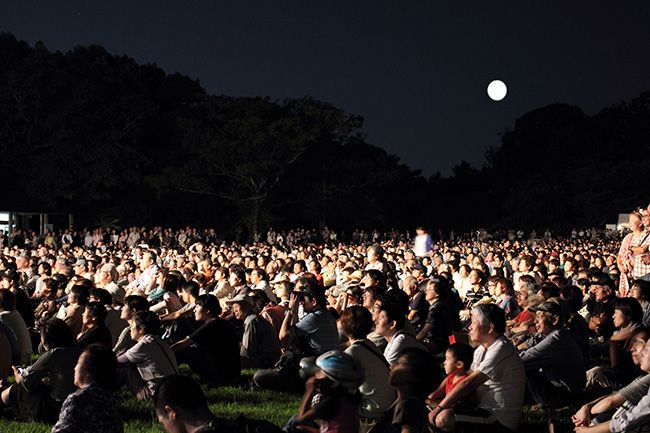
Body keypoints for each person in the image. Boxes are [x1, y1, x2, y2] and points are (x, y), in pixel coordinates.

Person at [429, 304, 525, 432]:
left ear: (490, 328)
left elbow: (469, 383)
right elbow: (463, 377)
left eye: (474, 322)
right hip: (479, 410)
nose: (470, 327)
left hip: (498, 419)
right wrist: (434, 397)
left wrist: (439, 408)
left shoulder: (501, 349)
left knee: (443, 418)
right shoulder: (482, 349)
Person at [254, 276, 339, 393]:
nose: (301, 303)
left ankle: (295, 385)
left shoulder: (315, 317)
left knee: (259, 376)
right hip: (323, 365)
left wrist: (291, 310)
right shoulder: (325, 314)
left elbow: (283, 336)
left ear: (313, 302)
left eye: (303, 299)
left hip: (314, 367)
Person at [0, 318, 82, 422]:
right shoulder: (81, 352)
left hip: (57, 408)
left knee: (17, 388)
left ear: (47, 340)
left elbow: (26, 381)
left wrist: (17, 374)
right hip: (77, 404)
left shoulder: (54, 354)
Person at [519, 299, 586, 408]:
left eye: (539, 317)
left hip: (564, 395)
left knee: (519, 368)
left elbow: (524, 359)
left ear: (554, 320)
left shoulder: (556, 338)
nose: (535, 321)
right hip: (563, 389)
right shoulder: (553, 334)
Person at [285, 350, 364, 433]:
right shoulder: (347, 397)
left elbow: (301, 419)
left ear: (333, 382)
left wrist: (309, 391)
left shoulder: (331, 402)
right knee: (301, 426)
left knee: (292, 425)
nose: (315, 376)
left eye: (320, 373)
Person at [51, 343, 123, 433]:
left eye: (78, 363)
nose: (75, 368)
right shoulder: (111, 400)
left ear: (88, 370)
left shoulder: (77, 400)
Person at [171, 294, 241, 386]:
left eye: (197, 306)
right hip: (232, 372)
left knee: (187, 350)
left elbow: (185, 343)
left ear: (207, 310)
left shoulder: (212, 324)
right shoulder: (219, 322)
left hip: (223, 374)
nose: (194, 310)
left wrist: (165, 352)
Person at [340, 305, 395, 420]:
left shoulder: (352, 352)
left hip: (372, 410)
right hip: (389, 404)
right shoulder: (369, 344)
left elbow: (344, 387)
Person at [370, 348, 439, 433]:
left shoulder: (408, 404)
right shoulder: (408, 402)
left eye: (400, 363)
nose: (391, 366)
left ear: (415, 375)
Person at [117, 311, 178, 399]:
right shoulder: (157, 340)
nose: (130, 329)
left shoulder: (144, 344)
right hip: (173, 388)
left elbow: (117, 362)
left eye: (132, 326)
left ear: (141, 329)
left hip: (157, 394)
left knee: (125, 367)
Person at [427, 343, 475, 430]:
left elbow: (453, 406)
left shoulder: (465, 382)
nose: (444, 362)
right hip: (443, 408)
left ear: (459, 364)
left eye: (447, 359)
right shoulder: (451, 377)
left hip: (454, 415)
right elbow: (433, 396)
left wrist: (431, 403)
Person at [227, 293, 281, 369]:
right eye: (232, 308)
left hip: (265, 362)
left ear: (246, 306)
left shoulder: (251, 320)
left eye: (236, 306)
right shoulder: (252, 319)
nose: (234, 310)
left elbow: (247, 352)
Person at [375, 301, 426, 365]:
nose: (376, 322)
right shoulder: (392, 341)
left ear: (392, 324)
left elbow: (384, 367)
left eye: (380, 318)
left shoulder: (401, 339)